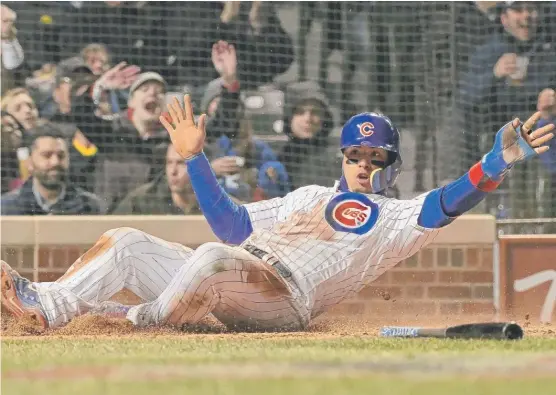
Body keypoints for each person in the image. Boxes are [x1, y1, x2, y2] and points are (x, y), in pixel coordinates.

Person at [1, 96, 553, 331]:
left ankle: (129, 320)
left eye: (375, 158)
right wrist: (194, 160)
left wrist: (495, 161)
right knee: (125, 238)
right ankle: (47, 306)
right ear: (342, 157)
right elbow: (232, 226)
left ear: (392, 164)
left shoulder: (394, 219)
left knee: (214, 260)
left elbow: (447, 201)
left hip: (281, 299)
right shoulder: (307, 195)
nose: (364, 165)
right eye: (355, 155)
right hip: (227, 273)